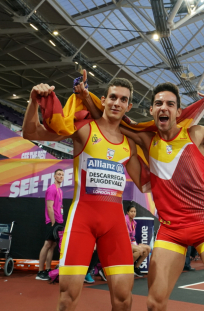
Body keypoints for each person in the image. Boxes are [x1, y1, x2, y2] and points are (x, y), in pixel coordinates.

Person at [116, 83, 204, 310]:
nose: (164, 108)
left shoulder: (195, 134)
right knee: (154, 304)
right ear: (151, 111)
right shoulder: (147, 140)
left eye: (170, 104)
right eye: (159, 104)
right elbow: (112, 123)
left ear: (178, 112)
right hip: (170, 231)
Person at [22, 71, 142, 311]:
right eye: (113, 97)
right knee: (67, 298)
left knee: (123, 298)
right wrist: (34, 102)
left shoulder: (131, 143)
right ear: (104, 100)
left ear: (129, 106)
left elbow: (147, 184)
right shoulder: (84, 130)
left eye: (122, 99)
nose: (117, 103)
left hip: (114, 225)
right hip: (82, 221)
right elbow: (30, 133)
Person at [36, 168, 65, 281]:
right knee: (47, 245)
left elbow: (59, 207)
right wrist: (53, 221)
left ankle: (48, 269)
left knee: (52, 245)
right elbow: (49, 207)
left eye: (62, 175)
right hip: (52, 222)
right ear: (54, 176)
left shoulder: (60, 190)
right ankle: (40, 271)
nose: (61, 176)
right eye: (59, 174)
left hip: (59, 221)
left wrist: (59, 220)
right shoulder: (51, 189)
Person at [125, 205, 151, 277]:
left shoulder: (134, 222)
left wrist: (136, 244)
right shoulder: (124, 221)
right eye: (131, 211)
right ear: (127, 212)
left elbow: (132, 237)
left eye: (134, 211)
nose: (133, 213)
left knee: (148, 248)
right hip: (125, 243)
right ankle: (127, 268)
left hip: (132, 242)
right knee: (139, 250)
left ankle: (135, 267)